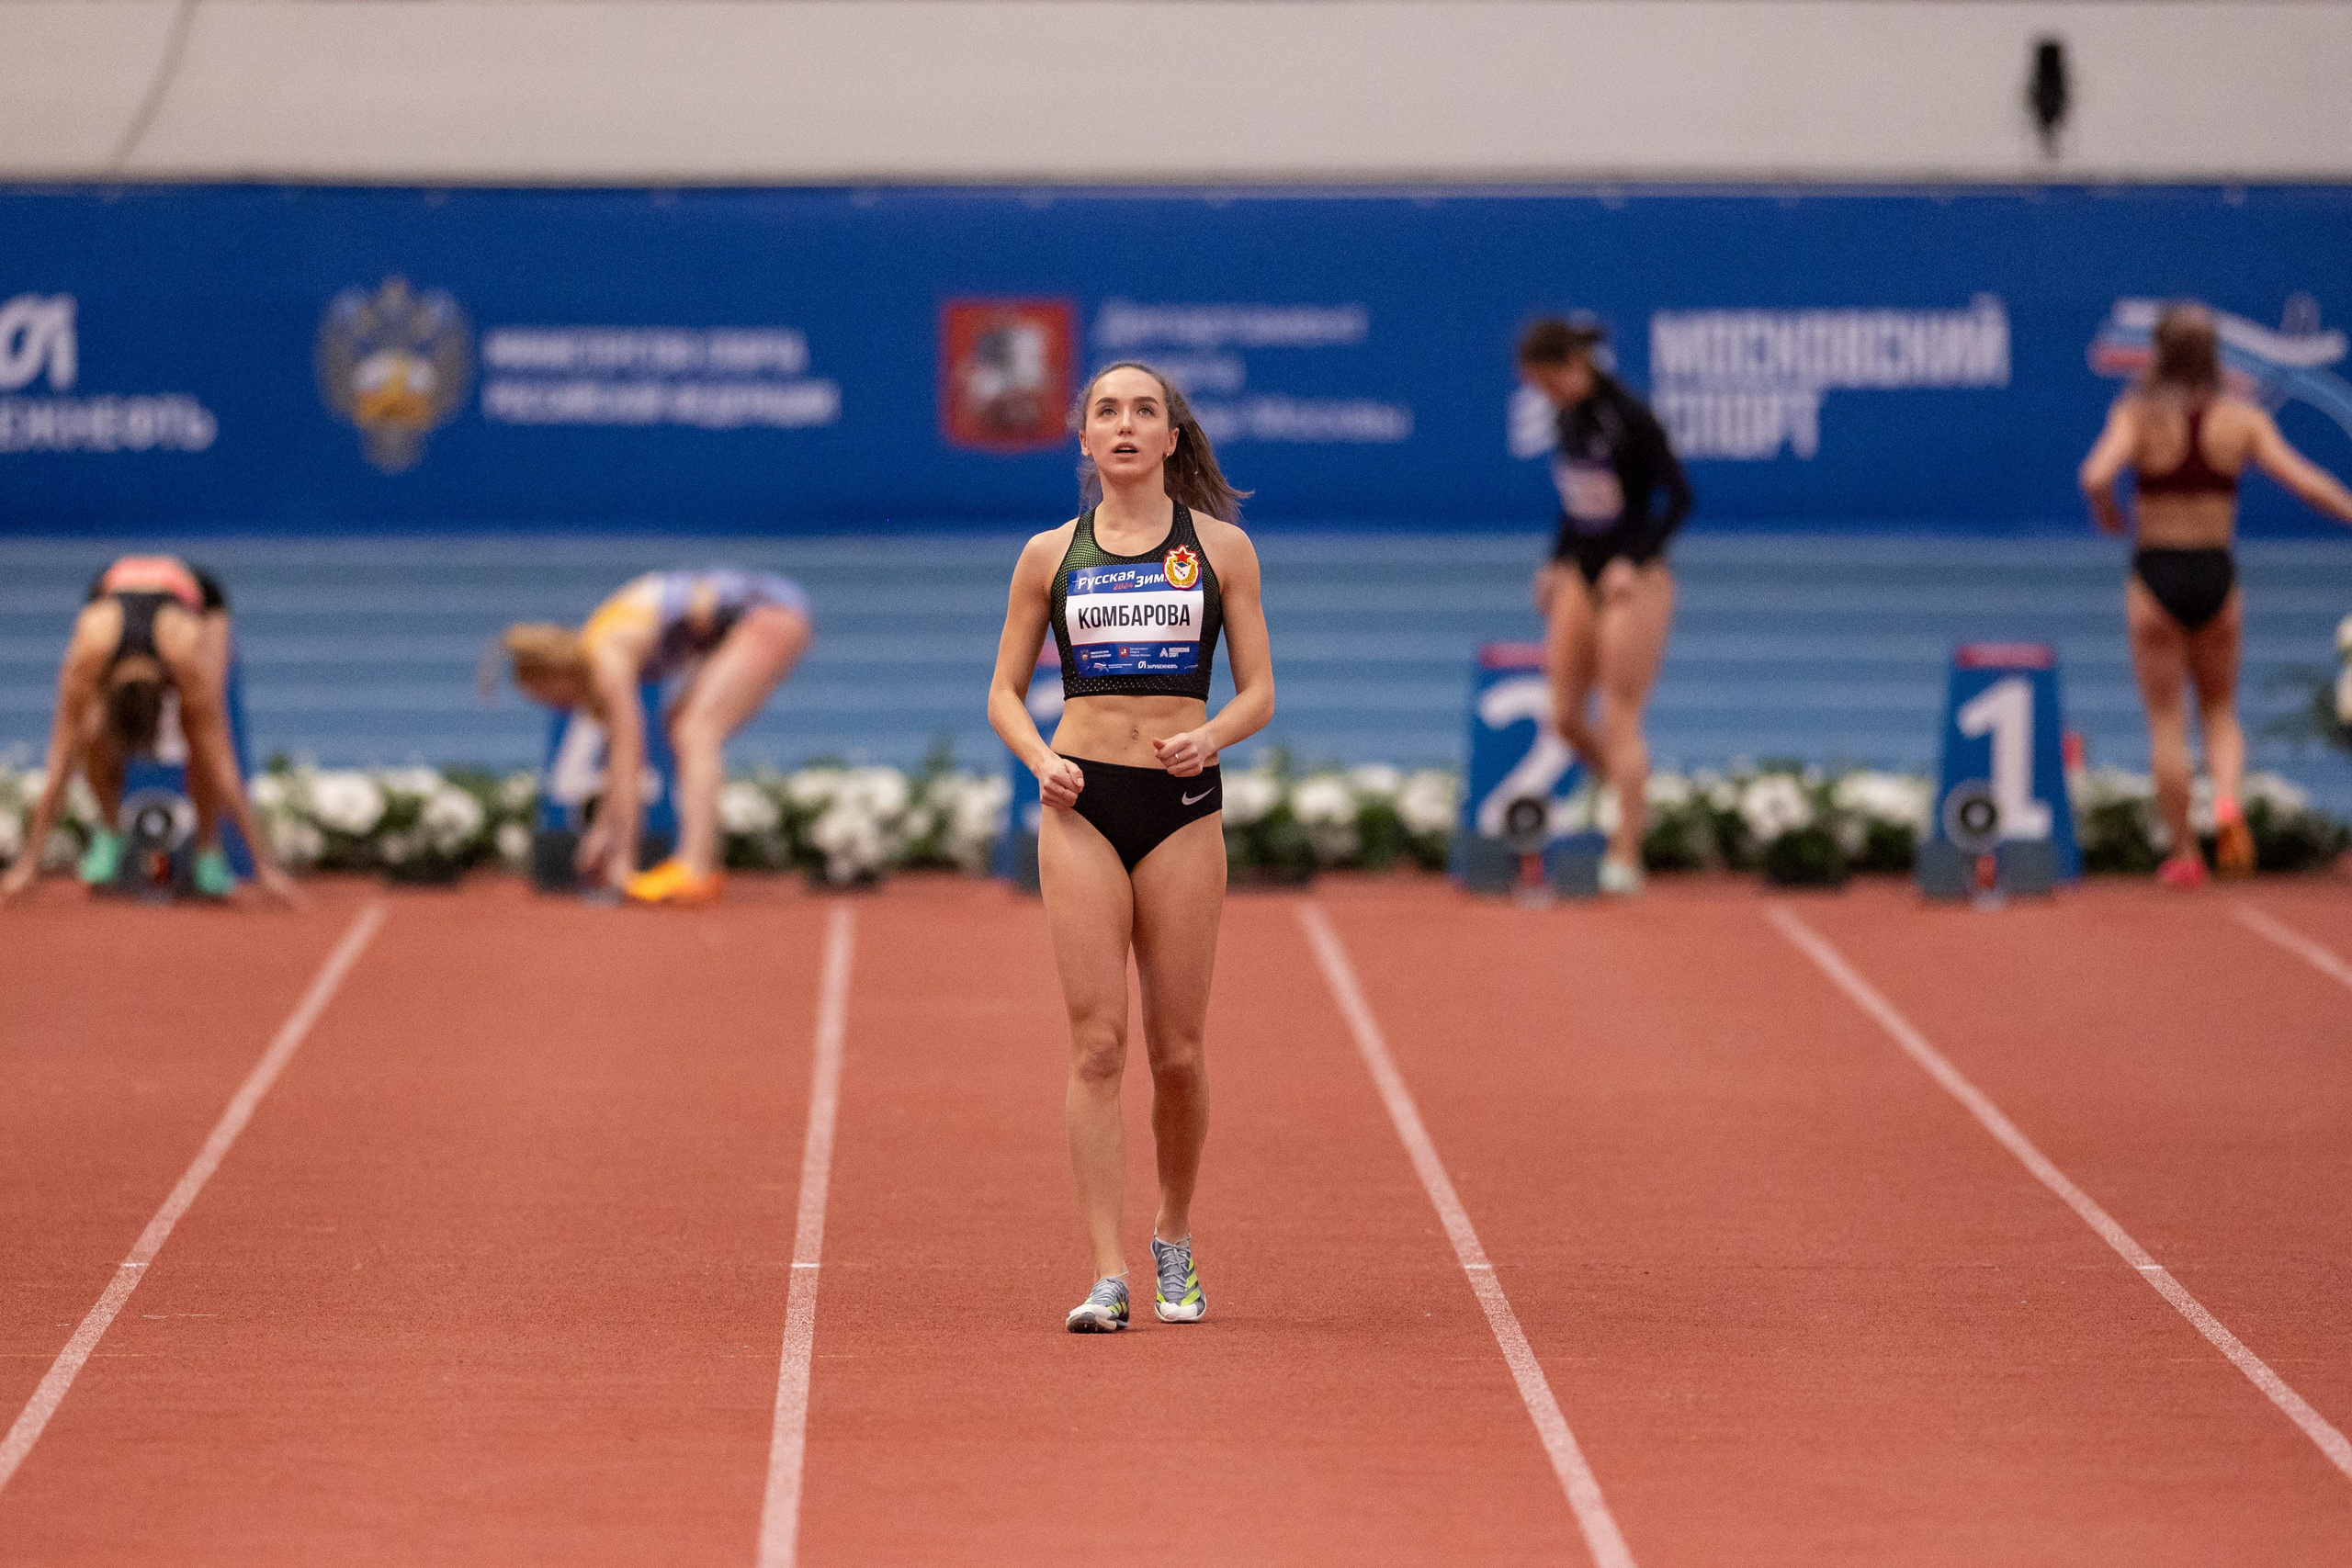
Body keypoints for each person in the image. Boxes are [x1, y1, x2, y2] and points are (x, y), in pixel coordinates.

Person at [987, 362, 1273, 1334]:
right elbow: (999, 694)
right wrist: (1038, 756)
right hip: (1080, 802)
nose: (1122, 425)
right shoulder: (1046, 555)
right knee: (1098, 1043)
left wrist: (1214, 735)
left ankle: (1174, 1236)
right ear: (1084, 442)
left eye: (1142, 411)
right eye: (1104, 411)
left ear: (1169, 440)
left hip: (1182, 802)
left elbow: (1260, 691)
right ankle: (1106, 1273)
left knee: (1179, 1052)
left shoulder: (1222, 550)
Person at [2079, 301, 2352, 886]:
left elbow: (2096, 474)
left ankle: (2183, 854)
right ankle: (2226, 798)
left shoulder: (2137, 414)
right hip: (2216, 575)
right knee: (2220, 711)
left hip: (2155, 575)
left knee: (2165, 719)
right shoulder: (2241, 419)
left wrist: (2107, 512)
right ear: (2215, 357)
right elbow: (2306, 482)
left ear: (2158, 353)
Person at [499, 570, 813, 905]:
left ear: (554, 675)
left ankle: (696, 868)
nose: (555, 706)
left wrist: (623, 864)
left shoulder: (605, 657)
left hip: (766, 615)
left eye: (546, 696)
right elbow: (619, 764)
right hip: (759, 617)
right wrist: (603, 833)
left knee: (696, 733)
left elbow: (630, 760)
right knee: (682, 727)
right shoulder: (599, 647)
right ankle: (699, 866)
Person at [1, 556, 298, 905]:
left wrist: (265, 867)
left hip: (194, 596)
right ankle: (110, 834)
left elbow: (221, 760)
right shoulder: (89, 654)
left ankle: (208, 848)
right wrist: (27, 866)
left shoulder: (186, 654)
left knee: (205, 729)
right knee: (90, 733)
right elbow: (61, 765)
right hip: (109, 592)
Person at [1519, 317, 1691, 895]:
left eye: (1549, 381)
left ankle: (1627, 853)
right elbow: (1578, 503)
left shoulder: (1630, 418)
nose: (1545, 394)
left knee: (1619, 714)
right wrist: (1555, 559)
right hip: (1581, 572)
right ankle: (1623, 790)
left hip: (1634, 580)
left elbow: (1678, 498)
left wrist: (1634, 560)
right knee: (1564, 716)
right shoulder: (1564, 416)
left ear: (1575, 365)